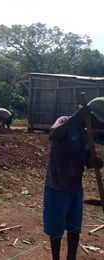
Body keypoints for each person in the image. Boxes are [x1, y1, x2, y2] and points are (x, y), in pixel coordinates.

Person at [44, 98, 104, 260]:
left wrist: (96, 161)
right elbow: (54, 134)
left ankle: (71, 258)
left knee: (74, 228)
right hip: (57, 187)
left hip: (75, 188)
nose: (99, 126)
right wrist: (77, 117)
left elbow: (87, 160)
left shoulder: (86, 135)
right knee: (56, 229)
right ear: (88, 115)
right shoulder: (65, 121)